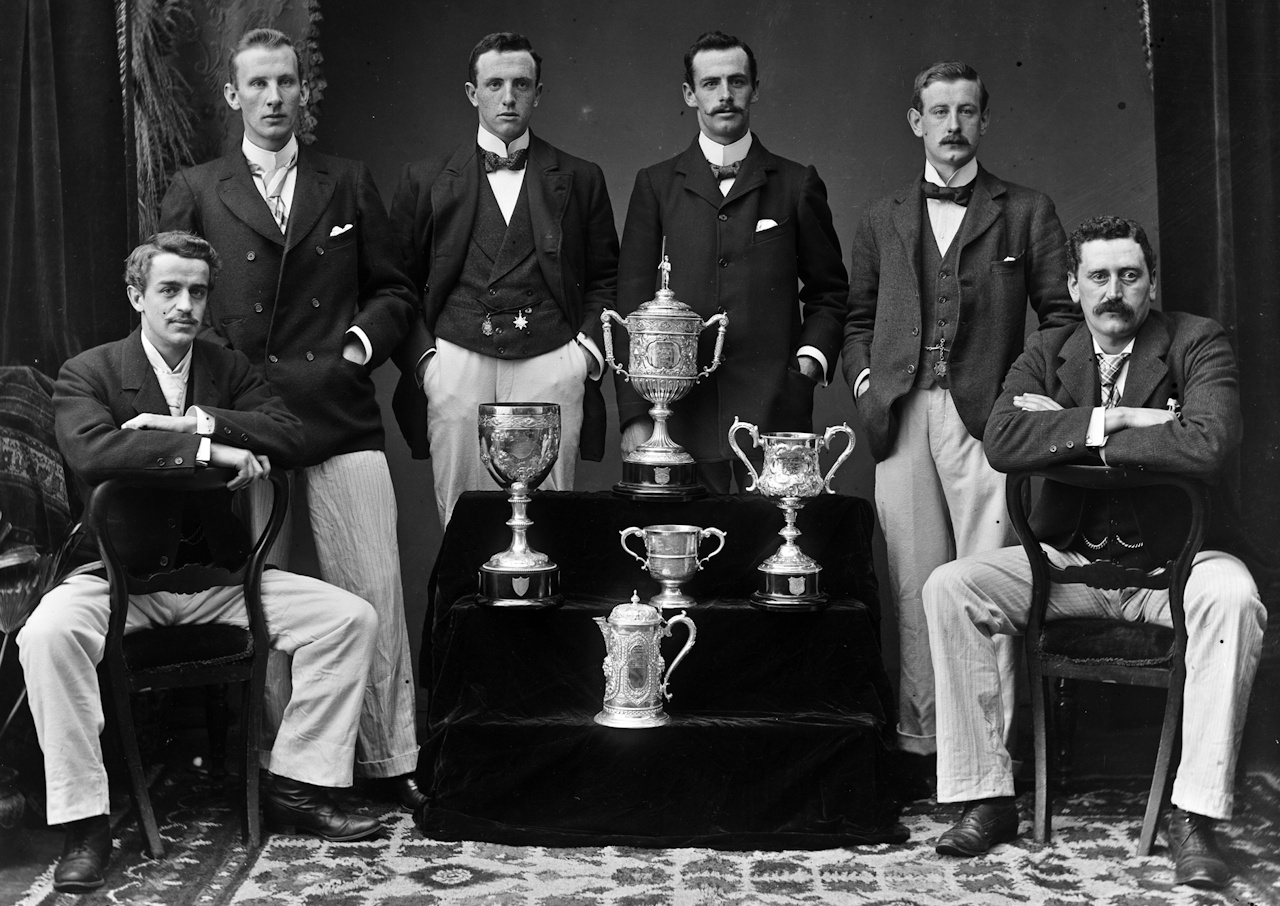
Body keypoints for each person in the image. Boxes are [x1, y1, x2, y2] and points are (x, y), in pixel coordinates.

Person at [19, 232, 384, 894]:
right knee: (45, 636)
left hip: (219, 581)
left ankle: (298, 784)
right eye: (168, 290)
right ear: (137, 296)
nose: (185, 304)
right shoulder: (90, 372)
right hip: (118, 578)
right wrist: (210, 456)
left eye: (196, 291)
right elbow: (96, 454)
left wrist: (200, 424)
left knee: (349, 619)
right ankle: (84, 822)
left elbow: (291, 436)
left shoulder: (227, 369)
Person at [923, 216, 1265, 890]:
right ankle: (985, 795)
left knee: (1236, 598)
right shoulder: (1050, 349)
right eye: (1100, 277)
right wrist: (1128, 420)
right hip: (1069, 568)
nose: (1115, 292)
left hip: (1178, 565)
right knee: (951, 587)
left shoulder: (1198, 342)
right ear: (1075, 286)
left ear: (1151, 283)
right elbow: (1003, 440)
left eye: (1130, 276)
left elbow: (1208, 442)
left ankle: (1195, 815)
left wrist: (1069, 430)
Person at [159, 28, 423, 809]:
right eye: (258, 86)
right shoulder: (198, 187)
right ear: (233, 97)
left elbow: (395, 293)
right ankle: (285, 771)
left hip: (340, 414)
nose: (274, 99)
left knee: (372, 588)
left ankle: (388, 759)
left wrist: (355, 348)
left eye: (287, 83)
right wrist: (229, 386)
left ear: (305, 93)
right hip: (248, 421)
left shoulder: (347, 181)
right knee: (271, 594)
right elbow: (172, 303)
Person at [842, 60, 1079, 784]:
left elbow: (1063, 318)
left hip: (989, 422)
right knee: (915, 583)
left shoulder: (1026, 210)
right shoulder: (882, 218)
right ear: (916, 121)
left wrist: (1023, 389)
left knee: (982, 580)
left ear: (983, 120)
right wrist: (863, 379)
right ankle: (922, 745)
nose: (953, 125)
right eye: (939, 112)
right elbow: (857, 317)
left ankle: (990, 759)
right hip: (904, 413)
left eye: (966, 111)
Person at [389, 32, 619, 528]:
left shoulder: (581, 177)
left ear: (539, 92)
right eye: (494, 84)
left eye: (521, 84)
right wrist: (428, 364)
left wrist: (583, 359)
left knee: (550, 520)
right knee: (460, 519)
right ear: (473, 93)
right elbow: (397, 283)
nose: (508, 97)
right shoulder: (425, 178)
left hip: (551, 359)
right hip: (457, 361)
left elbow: (606, 278)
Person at [615, 30, 848, 492]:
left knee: (771, 554)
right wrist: (635, 416)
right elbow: (630, 305)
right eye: (710, 84)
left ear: (755, 89)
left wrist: (806, 368)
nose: (725, 95)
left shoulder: (797, 182)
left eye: (737, 82)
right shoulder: (656, 184)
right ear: (689, 94)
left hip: (774, 413)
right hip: (677, 421)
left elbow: (829, 292)